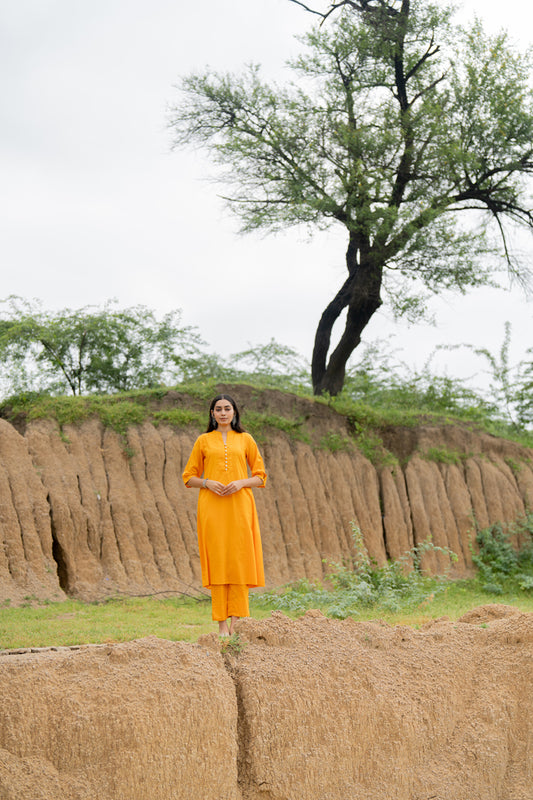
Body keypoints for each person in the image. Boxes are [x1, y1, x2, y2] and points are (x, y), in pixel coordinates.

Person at [182, 394, 266, 636]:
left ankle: (237, 623)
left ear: (234, 412)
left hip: (240, 506)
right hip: (212, 508)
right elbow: (189, 476)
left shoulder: (246, 439)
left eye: (227, 408)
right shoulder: (203, 441)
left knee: (239, 560)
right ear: (212, 413)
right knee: (218, 559)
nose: (222, 413)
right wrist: (207, 483)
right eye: (218, 409)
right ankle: (221, 626)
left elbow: (260, 476)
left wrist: (241, 482)